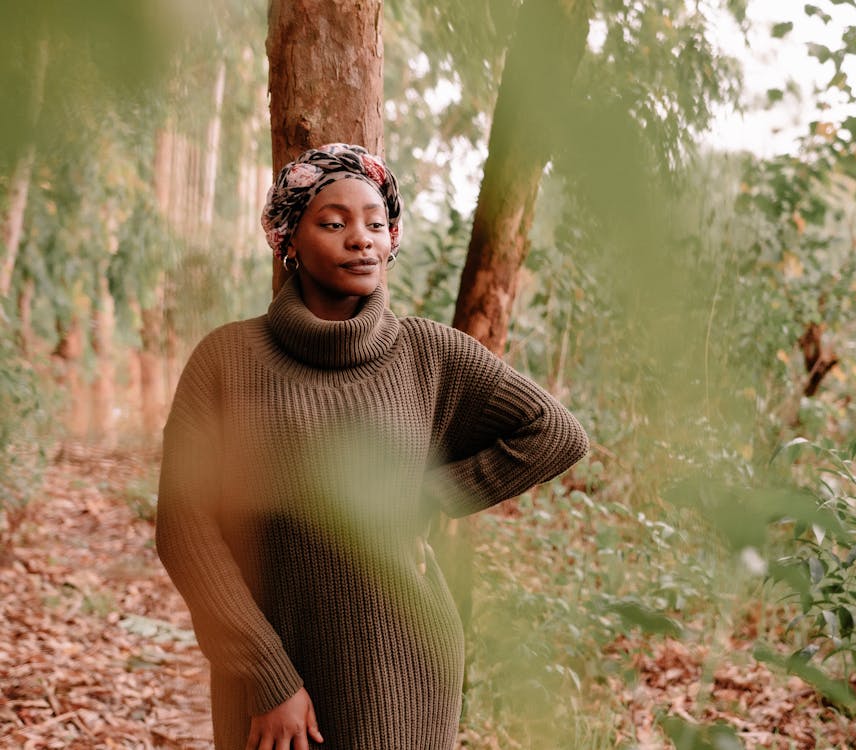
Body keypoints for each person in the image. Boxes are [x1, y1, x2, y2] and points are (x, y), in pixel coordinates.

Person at [156, 143, 589, 749]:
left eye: (376, 223)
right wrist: (267, 677)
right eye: (334, 223)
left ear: (391, 240)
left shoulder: (428, 353)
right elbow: (183, 527)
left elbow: (556, 431)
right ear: (289, 241)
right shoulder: (228, 359)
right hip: (269, 675)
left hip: (403, 670)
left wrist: (431, 492)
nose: (361, 238)